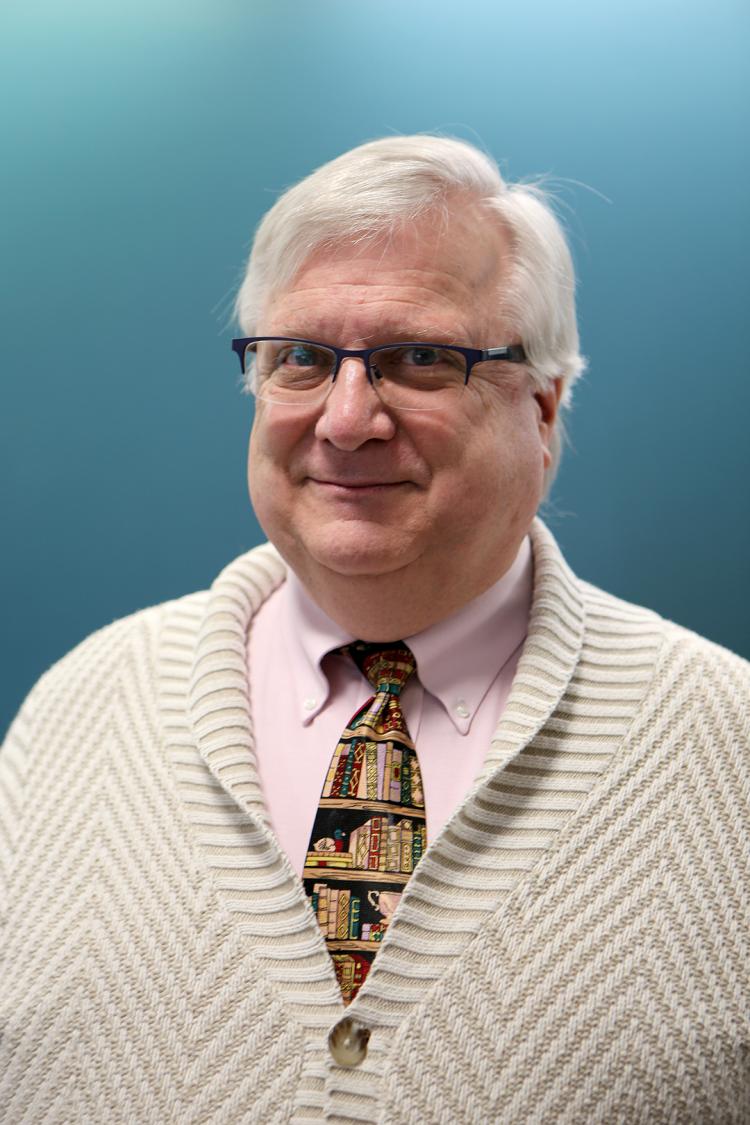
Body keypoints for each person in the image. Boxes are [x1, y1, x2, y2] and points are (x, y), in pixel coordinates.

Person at [1, 135, 748, 1124]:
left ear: (546, 406)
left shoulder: (728, 744)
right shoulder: (78, 713)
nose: (348, 420)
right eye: (302, 359)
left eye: (421, 359)